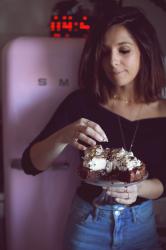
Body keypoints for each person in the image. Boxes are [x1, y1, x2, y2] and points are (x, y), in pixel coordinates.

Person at [22, 6, 166, 250]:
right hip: (88, 223)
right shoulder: (81, 102)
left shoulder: (164, 113)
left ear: (146, 51)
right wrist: (63, 136)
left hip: (141, 227)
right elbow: (30, 164)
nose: (112, 61)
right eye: (104, 52)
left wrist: (138, 188)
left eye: (124, 50)